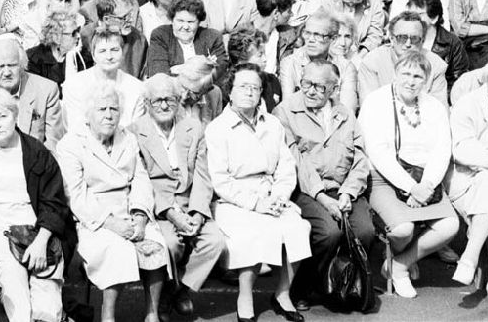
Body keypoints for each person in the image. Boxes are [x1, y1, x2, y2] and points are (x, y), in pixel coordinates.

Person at [204, 64, 311, 322]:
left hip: (271, 194)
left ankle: (282, 294)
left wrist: (279, 196)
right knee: (251, 233)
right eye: (243, 86)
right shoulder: (217, 128)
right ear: (230, 91)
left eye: (255, 87)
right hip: (234, 200)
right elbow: (220, 180)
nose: (249, 92)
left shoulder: (273, 124)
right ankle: (245, 296)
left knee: (299, 227)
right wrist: (255, 203)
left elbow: (286, 166)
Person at [57, 82, 169, 322]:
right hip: (94, 220)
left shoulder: (127, 138)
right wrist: (112, 224)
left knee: (157, 246)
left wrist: (140, 216)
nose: (109, 115)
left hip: (129, 210)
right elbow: (76, 196)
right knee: (116, 250)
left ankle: (152, 314)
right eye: (102, 109)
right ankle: (108, 317)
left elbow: (140, 179)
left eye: (114, 109)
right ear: (88, 114)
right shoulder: (71, 143)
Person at [274, 59, 375, 308]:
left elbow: (360, 158)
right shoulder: (285, 111)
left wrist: (348, 193)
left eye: (319, 86)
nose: (310, 90)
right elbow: (295, 161)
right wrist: (321, 196)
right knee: (328, 233)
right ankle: (303, 288)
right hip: (306, 190)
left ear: (334, 88)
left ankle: (344, 284)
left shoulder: (345, 113)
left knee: (365, 231)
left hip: (342, 189)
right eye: (306, 83)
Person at [358, 51, 459, 298]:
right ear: (395, 74)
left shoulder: (433, 106)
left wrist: (426, 184)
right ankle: (405, 257)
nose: (411, 81)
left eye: (417, 76)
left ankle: (398, 265)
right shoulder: (377, 101)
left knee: (449, 226)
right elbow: (378, 152)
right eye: (405, 73)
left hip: (424, 178)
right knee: (403, 230)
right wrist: (410, 187)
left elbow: (442, 148)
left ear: (425, 80)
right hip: (384, 177)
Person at [0, 89, 70, 322]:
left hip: (39, 228)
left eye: (2, 116)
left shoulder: (35, 151)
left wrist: (41, 241)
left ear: (14, 115)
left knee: (47, 308)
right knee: (18, 302)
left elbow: (54, 201)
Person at [129, 74, 225, 317]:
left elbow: (203, 177)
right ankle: (164, 294)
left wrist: (197, 214)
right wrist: (171, 213)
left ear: (179, 100)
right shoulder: (134, 132)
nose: (163, 106)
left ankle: (178, 288)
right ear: (147, 103)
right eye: (157, 101)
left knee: (215, 242)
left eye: (169, 100)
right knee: (170, 245)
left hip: (190, 201)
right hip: (159, 206)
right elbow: (140, 181)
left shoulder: (194, 128)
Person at [448, 61, 488, 305]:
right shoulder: (468, 104)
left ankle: (470, 255)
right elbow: (461, 151)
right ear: (486, 79)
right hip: (465, 181)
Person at [0, 37, 64, 149]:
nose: (7, 72)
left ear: (22, 64)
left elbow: (53, 144)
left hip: (36, 162)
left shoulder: (46, 90)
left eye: (12, 65)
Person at [61, 25, 147, 133]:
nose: (109, 56)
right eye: (102, 51)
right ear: (93, 55)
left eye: (114, 50)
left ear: (122, 52)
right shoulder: (74, 85)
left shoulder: (136, 87)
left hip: (125, 145)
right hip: (84, 146)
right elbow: (76, 130)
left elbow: (135, 132)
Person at [147, 0, 228, 80]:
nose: (185, 27)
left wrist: (177, 69)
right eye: (180, 21)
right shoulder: (161, 35)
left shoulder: (212, 37)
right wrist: (203, 66)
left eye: (191, 22)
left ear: (199, 22)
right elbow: (159, 76)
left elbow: (220, 74)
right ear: (172, 19)